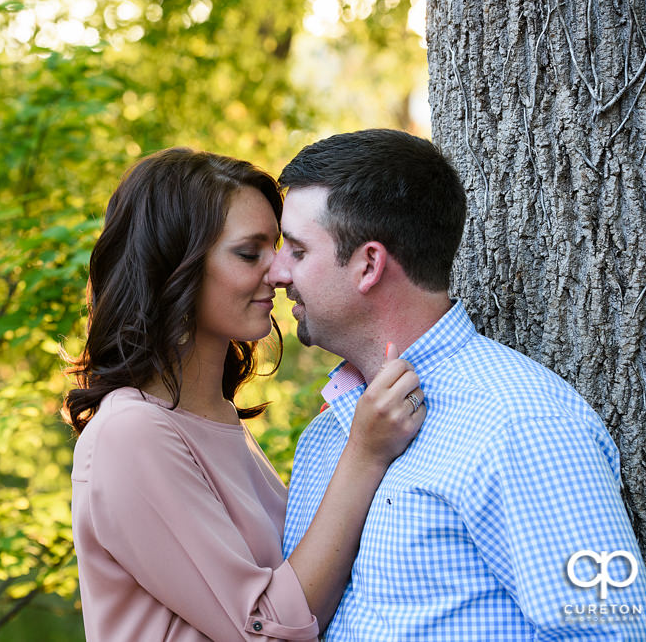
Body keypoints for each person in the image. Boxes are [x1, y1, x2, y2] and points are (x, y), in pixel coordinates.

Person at [268, 128, 646, 640]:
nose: (276, 272)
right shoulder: (328, 435)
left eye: (296, 250)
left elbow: (614, 630)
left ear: (368, 265)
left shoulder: (523, 425)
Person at [65, 147, 427, 641]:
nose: (280, 273)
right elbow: (263, 628)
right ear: (175, 268)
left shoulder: (213, 416)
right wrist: (364, 455)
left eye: (277, 249)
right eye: (248, 253)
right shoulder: (132, 433)